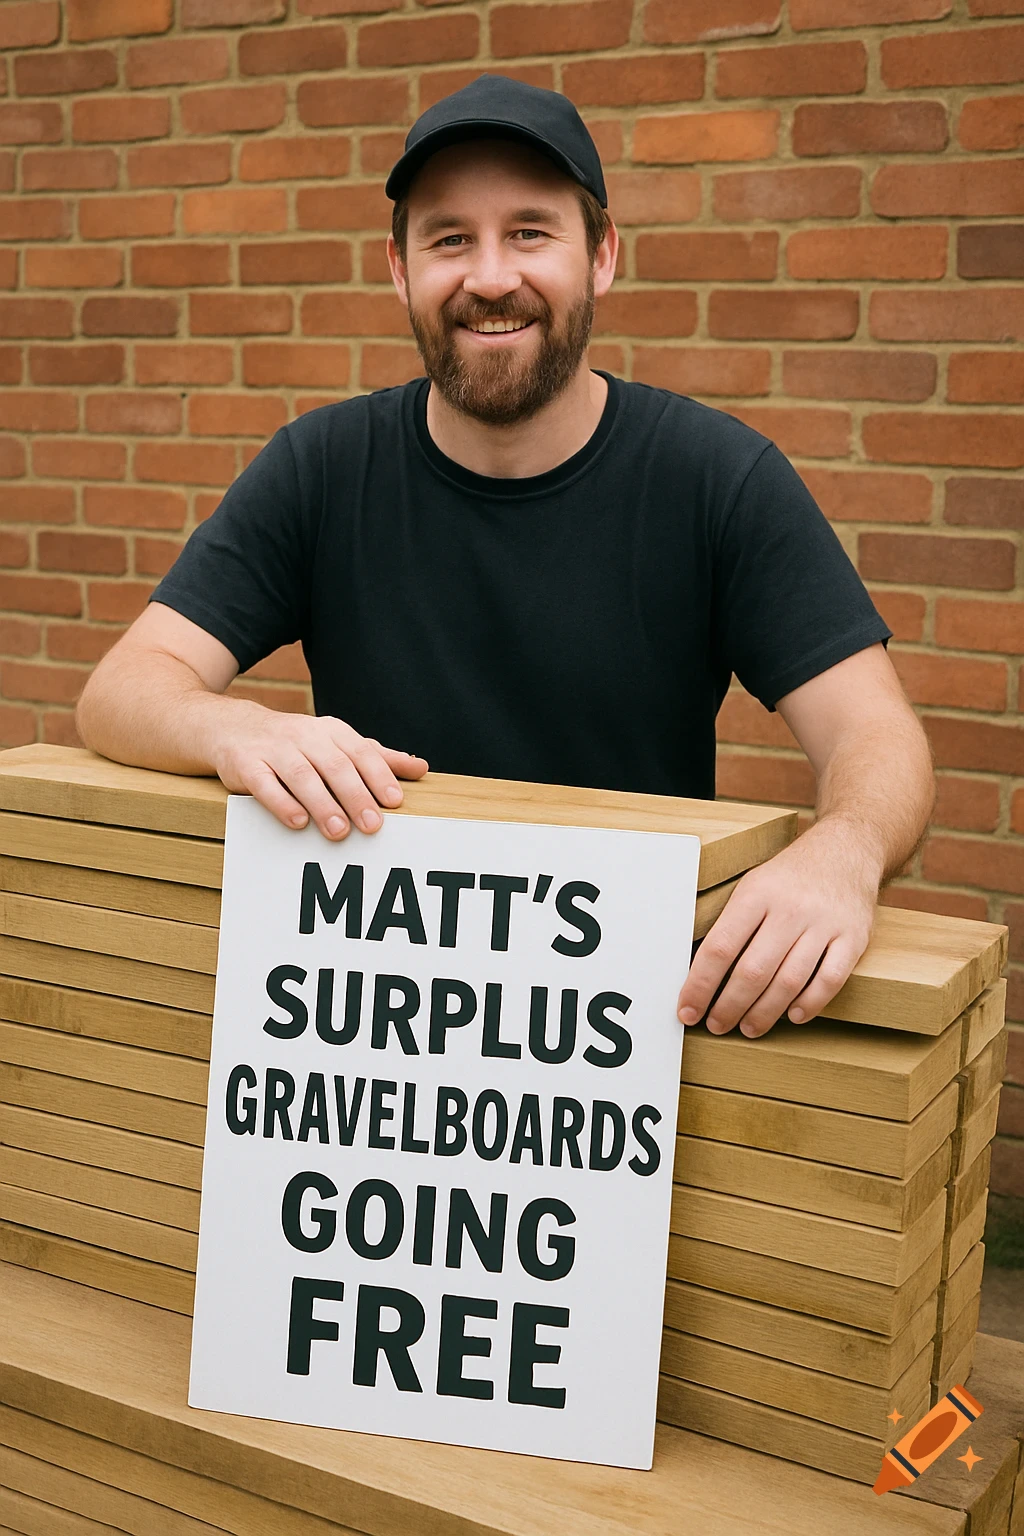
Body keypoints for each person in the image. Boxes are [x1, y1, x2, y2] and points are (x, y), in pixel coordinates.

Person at [76, 74, 934, 1041]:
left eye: (530, 231)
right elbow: (121, 691)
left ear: (601, 256)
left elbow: (879, 736)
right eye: (450, 238)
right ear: (400, 271)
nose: (490, 276)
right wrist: (230, 729)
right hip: (374, 1021)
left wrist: (842, 853)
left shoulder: (715, 478)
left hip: (616, 1037)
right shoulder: (320, 468)